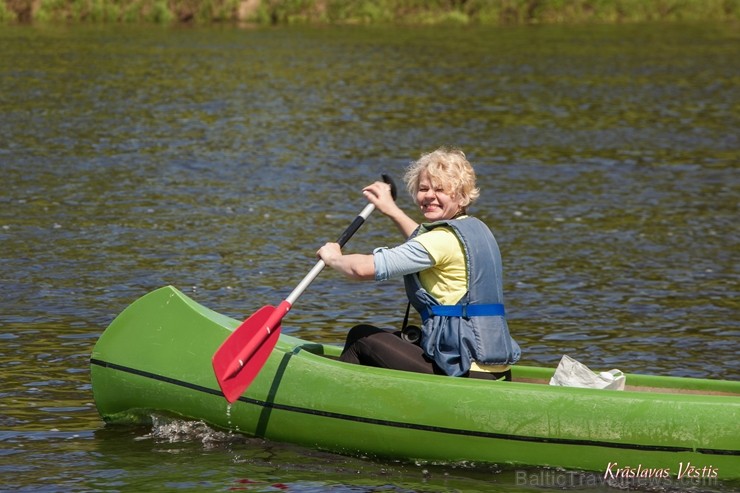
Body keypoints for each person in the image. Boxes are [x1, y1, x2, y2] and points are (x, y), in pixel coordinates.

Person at [316, 147, 520, 380]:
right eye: (424, 189)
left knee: (361, 337)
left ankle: (337, 402)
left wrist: (334, 257)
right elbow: (424, 241)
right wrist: (391, 210)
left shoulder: (441, 240)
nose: (429, 195)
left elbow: (362, 270)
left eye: (440, 189)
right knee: (392, 337)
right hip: (492, 366)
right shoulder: (475, 230)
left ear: (461, 196)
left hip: (462, 368)